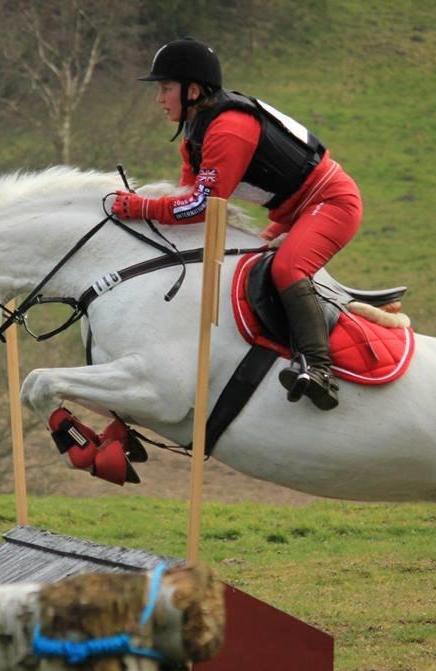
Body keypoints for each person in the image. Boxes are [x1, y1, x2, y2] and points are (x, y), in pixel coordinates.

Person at [111, 38, 362, 410]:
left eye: (166, 89)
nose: (159, 99)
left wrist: (139, 206)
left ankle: (319, 368)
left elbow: (200, 207)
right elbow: (187, 200)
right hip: (290, 214)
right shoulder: (195, 135)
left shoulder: (228, 130)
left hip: (332, 203)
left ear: (193, 91)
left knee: (288, 267)